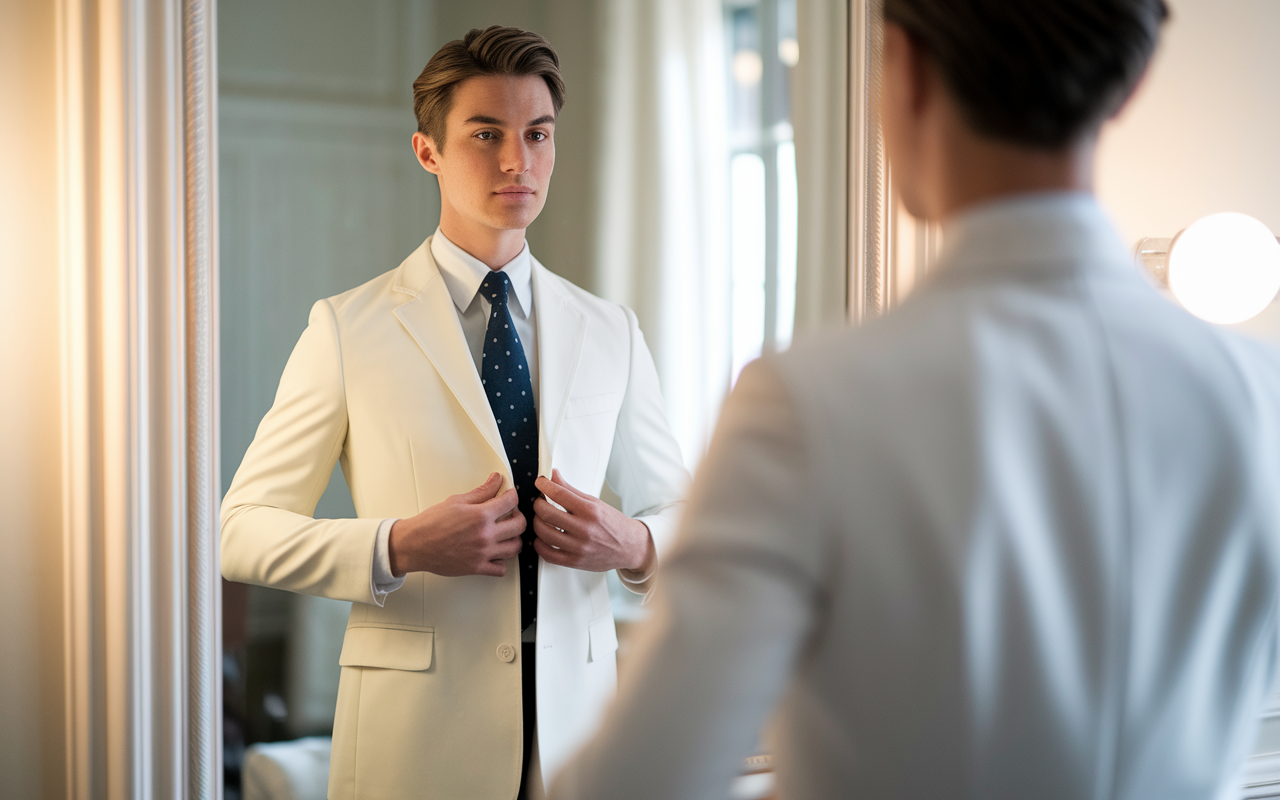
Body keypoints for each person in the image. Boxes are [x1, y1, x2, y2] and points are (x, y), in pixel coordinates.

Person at [551, 1, 1280, 798]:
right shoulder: (1260, 394)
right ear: (1129, 88)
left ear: (902, 66)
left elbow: (643, 778)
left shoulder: (806, 405)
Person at [220, 26, 689, 799]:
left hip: (580, 737)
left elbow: (680, 515)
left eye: (538, 134)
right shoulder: (346, 328)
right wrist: (397, 545)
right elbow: (240, 531)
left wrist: (634, 542)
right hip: (415, 742)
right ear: (426, 152)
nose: (518, 161)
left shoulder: (614, 331)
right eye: (486, 134)